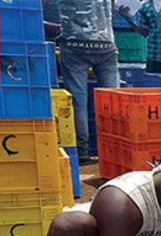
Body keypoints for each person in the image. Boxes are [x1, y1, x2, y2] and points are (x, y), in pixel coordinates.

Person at [50, 0, 121, 163]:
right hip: (106, 44)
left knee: (78, 101)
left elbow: (42, 6)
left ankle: (82, 151)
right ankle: (112, 151)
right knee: (111, 101)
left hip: (75, 45)